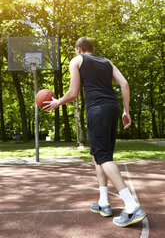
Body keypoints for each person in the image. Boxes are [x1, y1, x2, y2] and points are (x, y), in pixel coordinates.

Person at [44, 37, 146, 227]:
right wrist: (126, 111)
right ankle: (103, 202)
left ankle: (132, 206)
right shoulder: (107, 61)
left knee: (103, 157)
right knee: (97, 155)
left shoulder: (77, 60)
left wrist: (58, 101)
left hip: (97, 110)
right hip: (112, 108)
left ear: (78, 49)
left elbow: (73, 92)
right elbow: (124, 84)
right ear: (92, 49)